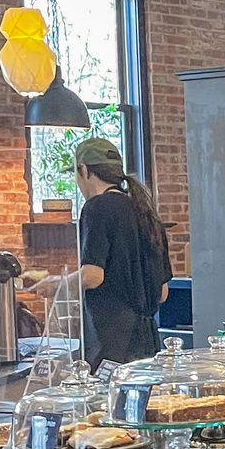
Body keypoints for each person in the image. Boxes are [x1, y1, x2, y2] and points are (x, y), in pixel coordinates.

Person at [52, 138, 173, 369]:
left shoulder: (97, 208)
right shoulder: (145, 211)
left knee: (108, 403)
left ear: (85, 171)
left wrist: (58, 283)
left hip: (112, 345)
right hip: (148, 341)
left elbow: (92, 276)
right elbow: (162, 292)